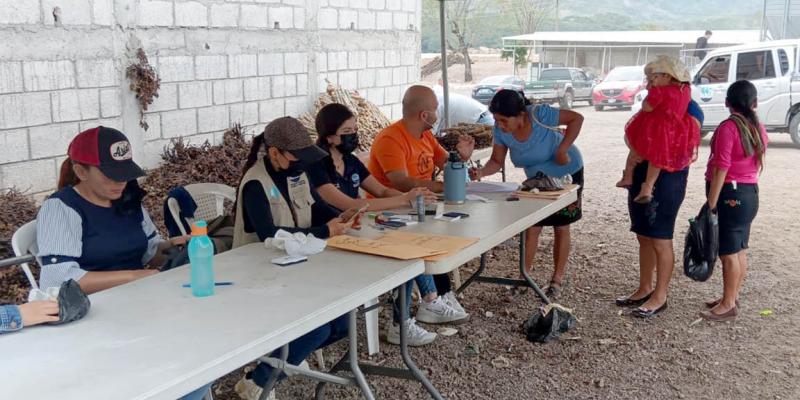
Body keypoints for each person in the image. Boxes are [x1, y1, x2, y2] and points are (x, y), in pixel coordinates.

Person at [35, 126, 211, 400]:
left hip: (141, 303)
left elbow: (148, 252)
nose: (120, 182)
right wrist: (133, 277)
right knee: (182, 362)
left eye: (125, 173)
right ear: (81, 171)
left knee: (203, 354)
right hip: (93, 315)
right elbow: (58, 279)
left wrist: (171, 247)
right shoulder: (62, 208)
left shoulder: (128, 200)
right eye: (110, 175)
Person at [308, 103, 468, 347]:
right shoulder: (317, 167)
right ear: (329, 136)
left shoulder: (350, 161)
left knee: (410, 244)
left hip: (357, 228)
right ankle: (404, 319)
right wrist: (404, 199)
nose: (353, 136)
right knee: (399, 255)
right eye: (347, 132)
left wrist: (413, 198)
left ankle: (426, 302)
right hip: (330, 237)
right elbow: (349, 204)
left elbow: (381, 190)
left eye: (355, 129)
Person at [232, 117, 359, 400]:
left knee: (343, 321)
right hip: (261, 275)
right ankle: (259, 381)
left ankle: (283, 360)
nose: (301, 163)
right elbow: (268, 233)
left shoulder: (296, 174)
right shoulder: (255, 183)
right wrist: (325, 231)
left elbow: (317, 208)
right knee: (317, 328)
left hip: (298, 267)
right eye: (295, 157)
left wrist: (342, 218)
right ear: (274, 152)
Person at [368, 85, 475, 312]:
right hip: (390, 211)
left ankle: (440, 295)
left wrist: (461, 158)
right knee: (421, 239)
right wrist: (443, 186)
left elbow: (447, 163)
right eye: (436, 109)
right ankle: (428, 302)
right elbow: (400, 182)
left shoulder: (426, 135)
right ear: (425, 115)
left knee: (442, 235)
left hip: (422, 206)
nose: (438, 114)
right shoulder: (390, 138)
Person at [470, 90, 584, 299]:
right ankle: (524, 277)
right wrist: (481, 172)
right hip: (536, 180)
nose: (500, 125)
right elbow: (496, 161)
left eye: (504, 120)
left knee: (561, 226)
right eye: (497, 120)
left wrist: (562, 149)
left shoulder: (539, 114)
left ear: (521, 114)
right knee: (532, 227)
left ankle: (557, 280)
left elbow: (577, 118)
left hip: (567, 172)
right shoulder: (501, 130)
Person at [615, 65, 706, 320]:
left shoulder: (690, 107)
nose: (650, 81)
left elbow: (686, 145)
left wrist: (651, 149)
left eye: (654, 76)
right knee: (643, 234)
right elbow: (637, 132)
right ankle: (644, 287)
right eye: (649, 77)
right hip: (642, 171)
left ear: (670, 77)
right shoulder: (653, 100)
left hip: (668, 177)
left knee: (660, 237)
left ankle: (660, 294)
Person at [700, 80, 767, 322]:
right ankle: (731, 296)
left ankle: (728, 304)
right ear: (754, 103)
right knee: (740, 249)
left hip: (731, 194)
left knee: (728, 252)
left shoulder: (729, 127)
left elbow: (722, 167)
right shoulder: (757, 126)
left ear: (727, 102)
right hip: (749, 194)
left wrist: (711, 203)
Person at [617, 56, 701, 204]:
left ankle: (628, 175)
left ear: (667, 76)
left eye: (653, 79)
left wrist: (650, 97)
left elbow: (647, 107)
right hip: (676, 132)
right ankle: (647, 187)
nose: (650, 85)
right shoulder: (686, 90)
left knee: (636, 149)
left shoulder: (660, 91)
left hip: (656, 130)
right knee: (656, 161)